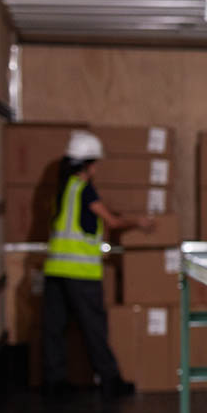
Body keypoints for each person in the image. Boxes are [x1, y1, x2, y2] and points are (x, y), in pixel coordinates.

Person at [42, 131, 154, 399]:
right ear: (89, 165)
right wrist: (140, 223)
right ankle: (111, 381)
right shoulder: (85, 189)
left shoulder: (62, 188)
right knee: (94, 328)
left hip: (54, 270)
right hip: (80, 273)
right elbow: (111, 222)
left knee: (54, 329)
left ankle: (54, 383)